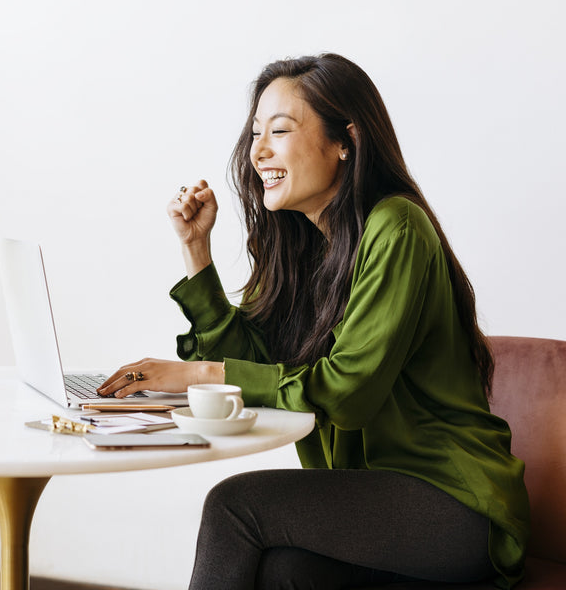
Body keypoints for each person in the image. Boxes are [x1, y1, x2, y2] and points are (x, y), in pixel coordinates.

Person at [97, 54, 529, 589]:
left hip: (456, 506)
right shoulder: (306, 247)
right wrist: (196, 252)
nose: (258, 151)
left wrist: (197, 374)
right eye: (256, 133)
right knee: (283, 571)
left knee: (236, 505)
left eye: (279, 130)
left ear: (345, 140)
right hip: (374, 499)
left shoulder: (397, 228)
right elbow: (257, 367)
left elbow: (346, 393)